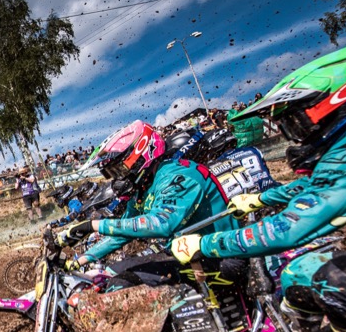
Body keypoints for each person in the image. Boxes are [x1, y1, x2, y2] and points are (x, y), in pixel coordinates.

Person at [170, 40, 346, 332]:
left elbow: (290, 228)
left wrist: (205, 244)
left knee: (338, 281)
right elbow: (316, 185)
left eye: (295, 123)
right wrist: (260, 198)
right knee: (298, 274)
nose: (292, 136)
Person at [57, 120, 237, 287]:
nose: (117, 179)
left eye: (119, 170)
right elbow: (120, 234)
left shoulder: (177, 175)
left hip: (221, 256)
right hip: (186, 254)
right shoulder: (143, 188)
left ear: (140, 154)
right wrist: (79, 261)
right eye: (112, 174)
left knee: (120, 283)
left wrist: (93, 225)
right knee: (110, 274)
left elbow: (161, 223)